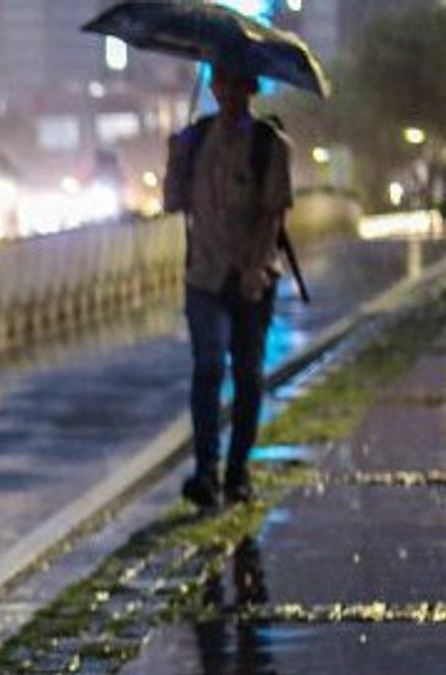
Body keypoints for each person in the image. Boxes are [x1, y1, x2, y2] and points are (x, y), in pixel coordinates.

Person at [163, 62, 293, 508]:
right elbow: (173, 204)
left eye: (239, 82)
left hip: (250, 277)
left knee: (248, 375)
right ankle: (205, 473)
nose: (229, 91)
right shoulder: (195, 140)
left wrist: (256, 268)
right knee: (208, 366)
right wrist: (174, 160)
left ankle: (237, 473)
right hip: (204, 275)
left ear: (251, 87)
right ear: (214, 87)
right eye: (222, 82)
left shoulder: (269, 145)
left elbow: (274, 214)